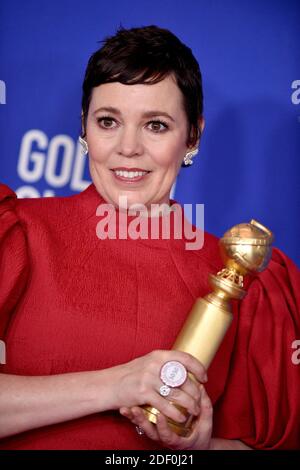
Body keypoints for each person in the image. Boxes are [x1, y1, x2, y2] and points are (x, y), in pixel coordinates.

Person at [0, 25, 299, 451]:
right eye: (108, 121)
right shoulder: (19, 234)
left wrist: (202, 446)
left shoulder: (242, 278)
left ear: (192, 135)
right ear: (83, 127)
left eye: (155, 126)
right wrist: (114, 386)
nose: (128, 148)